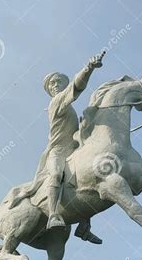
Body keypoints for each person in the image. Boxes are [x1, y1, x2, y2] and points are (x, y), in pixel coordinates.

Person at [8, 51, 106, 243]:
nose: (55, 86)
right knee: (55, 175)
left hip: (74, 149)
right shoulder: (56, 103)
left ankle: (84, 227)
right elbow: (76, 87)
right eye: (52, 84)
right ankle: (53, 214)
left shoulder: (69, 108)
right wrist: (89, 68)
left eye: (58, 82)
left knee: (92, 175)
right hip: (58, 151)